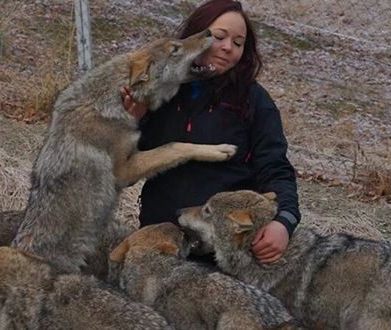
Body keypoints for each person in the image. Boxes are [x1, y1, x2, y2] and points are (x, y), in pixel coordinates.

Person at [120, 0, 300, 263]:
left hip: (219, 253)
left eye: (238, 43)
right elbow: (124, 171)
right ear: (195, 35)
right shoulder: (160, 90)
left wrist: (284, 222)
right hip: (158, 240)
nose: (228, 48)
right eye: (219, 37)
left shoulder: (254, 101)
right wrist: (133, 121)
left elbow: (276, 169)